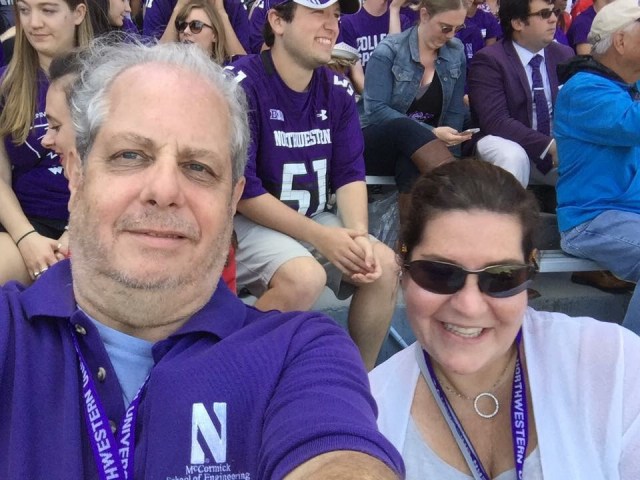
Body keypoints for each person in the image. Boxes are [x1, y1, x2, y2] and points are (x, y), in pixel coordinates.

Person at [0, 40, 405, 479]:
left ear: (232, 199)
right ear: (76, 174)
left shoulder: (299, 354)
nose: (164, 191)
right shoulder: (10, 335)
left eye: (198, 167)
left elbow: (339, 456)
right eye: (130, 155)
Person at [369, 159, 640, 479]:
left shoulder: (613, 363)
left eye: (502, 276)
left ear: (530, 271)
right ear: (403, 267)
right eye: (439, 273)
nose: (469, 306)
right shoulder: (369, 412)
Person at [225, 0, 398, 371]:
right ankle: (232, 370)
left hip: (311, 217)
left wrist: (357, 237)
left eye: (335, 15)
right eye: (317, 12)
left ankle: (360, 378)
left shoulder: (337, 89)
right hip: (245, 220)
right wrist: (323, 238)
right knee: (304, 277)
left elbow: (349, 174)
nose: (331, 25)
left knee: (381, 264)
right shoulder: (241, 85)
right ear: (278, 21)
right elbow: (243, 191)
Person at [554, 0, 640, 333]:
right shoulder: (583, 89)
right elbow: (631, 124)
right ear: (620, 41)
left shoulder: (627, 86)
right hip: (591, 219)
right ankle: (632, 358)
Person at [0, 0, 92, 285]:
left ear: (78, 13)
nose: (34, 23)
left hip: (94, 222)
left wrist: (74, 233)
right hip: (26, 225)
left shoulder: (107, 80)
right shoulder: (6, 85)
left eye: (47, 10)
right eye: (24, 10)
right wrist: (27, 239)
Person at [360, 0, 472, 214]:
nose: (451, 35)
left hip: (421, 152)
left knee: (411, 161)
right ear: (424, 15)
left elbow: (454, 112)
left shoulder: (455, 51)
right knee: (405, 128)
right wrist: (431, 133)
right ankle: (459, 198)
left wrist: (452, 148)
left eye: (458, 29)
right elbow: (376, 111)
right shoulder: (389, 51)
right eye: (445, 28)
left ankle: (413, 233)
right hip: (375, 143)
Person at [468, 0, 573, 187]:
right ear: (518, 23)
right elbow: (495, 121)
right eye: (544, 14)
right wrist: (548, 145)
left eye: (555, 12)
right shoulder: (489, 60)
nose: (553, 19)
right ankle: (505, 207)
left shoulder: (563, 55)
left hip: (556, 152)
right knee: (511, 154)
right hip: (506, 144)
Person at [143, 0, 250, 53]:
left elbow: (245, 64)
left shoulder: (233, 4)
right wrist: (179, 8)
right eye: (182, 25)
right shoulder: (162, 2)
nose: (186, 31)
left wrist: (220, 13)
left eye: (196, 26)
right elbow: (152, 60)